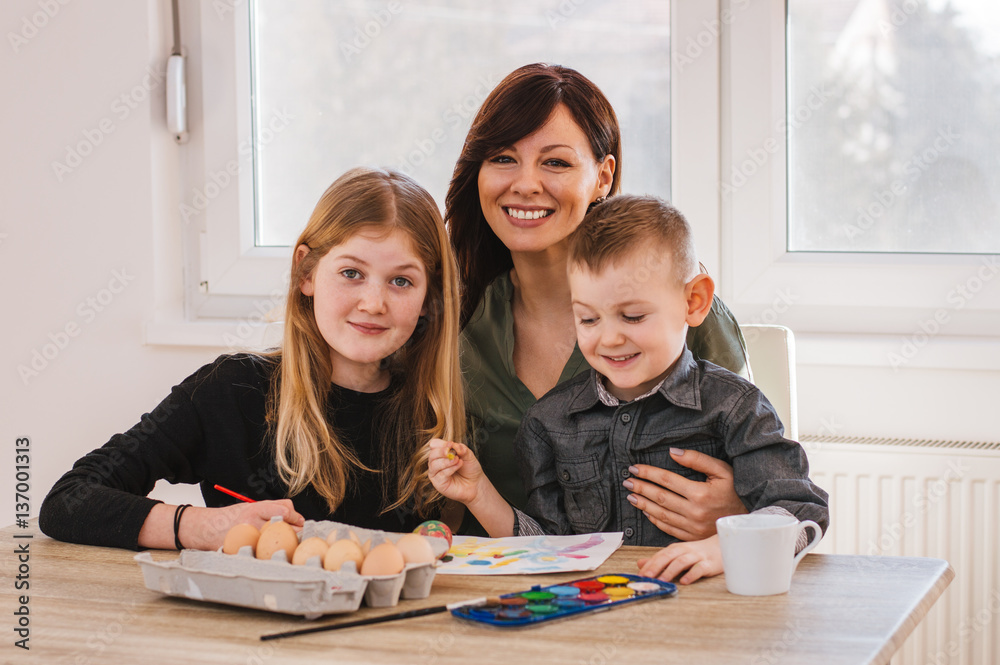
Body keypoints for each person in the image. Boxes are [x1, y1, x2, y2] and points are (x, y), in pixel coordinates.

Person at [39, 167, 465, 551]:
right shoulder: (233, 390)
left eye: (402, 281)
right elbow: (68, 501)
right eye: (351, 273)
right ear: (307, 273)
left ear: (428, 298)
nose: (373, 303)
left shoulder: (433, 415)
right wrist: (202, 526)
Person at [428, 195, 829, 583]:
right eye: (588, 319)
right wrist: (479, 491)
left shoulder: (735, 406)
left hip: (707, 620)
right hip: (595, 620)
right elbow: (545, 548)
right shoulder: (547, 422)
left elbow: (801, 509)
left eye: (632, 316)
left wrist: (728, 545)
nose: (609, 339)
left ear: (694, 301)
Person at [446, 62, 750, 539]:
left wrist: (736, 511)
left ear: (603, 177)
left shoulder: (678, 308)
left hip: (671, 586)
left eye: (556, 162)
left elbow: (770, 471)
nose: (525, 183)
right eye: (503, 158)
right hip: (510, 590)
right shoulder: (455, 321)